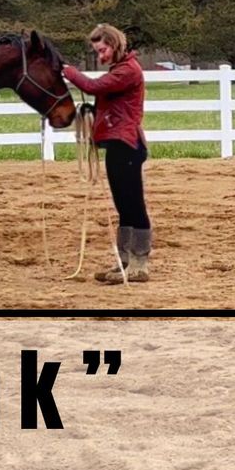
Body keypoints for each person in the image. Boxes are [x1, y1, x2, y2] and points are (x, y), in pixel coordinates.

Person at [62, 24, 152, 283]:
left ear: (113, 45)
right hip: (120, 143)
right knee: (124, 204)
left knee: (133, 203)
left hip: (126, 143)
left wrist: (67, 71)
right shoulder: (123, 69)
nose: (100, 56)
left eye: (102, 50)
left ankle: (139, 263)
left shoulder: (127, 71)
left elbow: (93, 86)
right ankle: (126, 261)